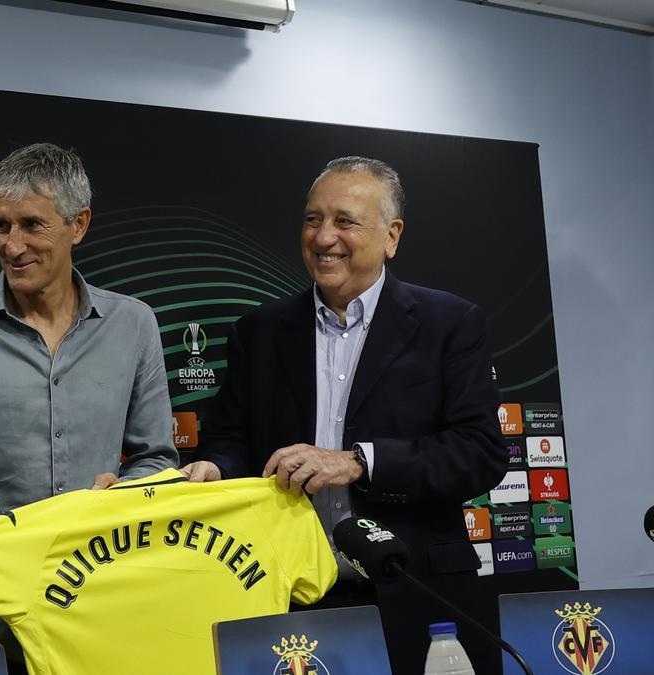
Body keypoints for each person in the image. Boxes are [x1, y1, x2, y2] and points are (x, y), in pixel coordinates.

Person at [182, 156, 508, 675]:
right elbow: (229, 438)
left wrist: (359, 462)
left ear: (391, 235)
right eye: (313, 219)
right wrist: (214, 468)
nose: (323, 236)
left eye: (344, 221)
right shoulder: (259, 332)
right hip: (288, 596)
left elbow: (480, 452)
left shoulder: (450, 323)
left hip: (419, 596)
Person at [0, 142, 178, 661]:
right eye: (1, 226)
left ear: (79, 225)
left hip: (101, 601)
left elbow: (157, 458)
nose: (12, 246)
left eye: (31, 225)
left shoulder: (134, 324)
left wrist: (127, 494)